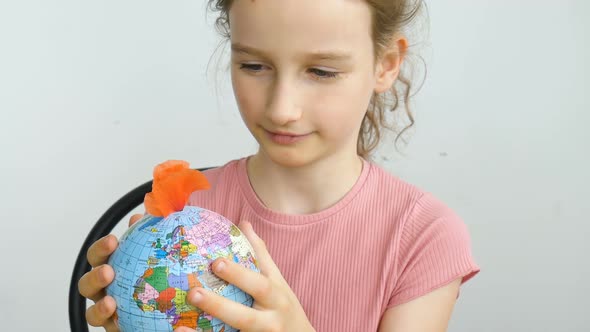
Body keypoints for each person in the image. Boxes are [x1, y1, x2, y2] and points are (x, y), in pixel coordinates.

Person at [78, 0, 480, 331]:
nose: (281, 109)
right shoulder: (182, 213)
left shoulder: (423, 237)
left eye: (321, 71)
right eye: (254, 66)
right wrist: (133, 312)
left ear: (386, 64)